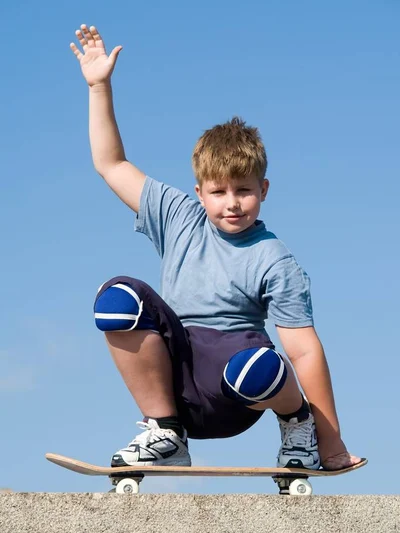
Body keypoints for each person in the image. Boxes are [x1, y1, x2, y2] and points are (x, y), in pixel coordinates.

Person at [70, 24, 361, 471]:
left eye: (243, 190)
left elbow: (303, 350)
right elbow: (111, 165)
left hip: (237, 389)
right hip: (177, 376)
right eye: (219, 192)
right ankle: (166, 431)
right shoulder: (178, 217)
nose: (232, 203)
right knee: (116, 297)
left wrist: (332, 442)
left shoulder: (273, 257)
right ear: (199, 192)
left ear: (263, 189)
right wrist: (98, 87)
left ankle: (295, 423)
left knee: (256, 365)